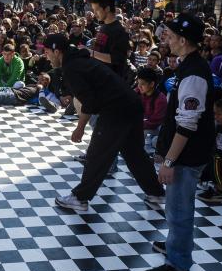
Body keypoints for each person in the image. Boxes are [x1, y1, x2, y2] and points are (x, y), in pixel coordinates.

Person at [42, 33, 165, 214]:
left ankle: (80, 198)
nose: (46, 56)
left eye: (47, 52)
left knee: (96, 155)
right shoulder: (78, 59)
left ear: (57, 51)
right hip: (131, 104)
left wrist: (80, 127)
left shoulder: (72, 67)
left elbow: (89, 101)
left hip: (116, 110)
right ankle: (156, 194)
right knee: (135, 154)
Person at [86, 0, 131, 80]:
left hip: (111, 83)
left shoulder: (119, 30)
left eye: (97, 10)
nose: (94, 13)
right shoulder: (104, 26)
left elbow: (116, 59)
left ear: (107, 8)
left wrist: (90, 52)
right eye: (93, 10)